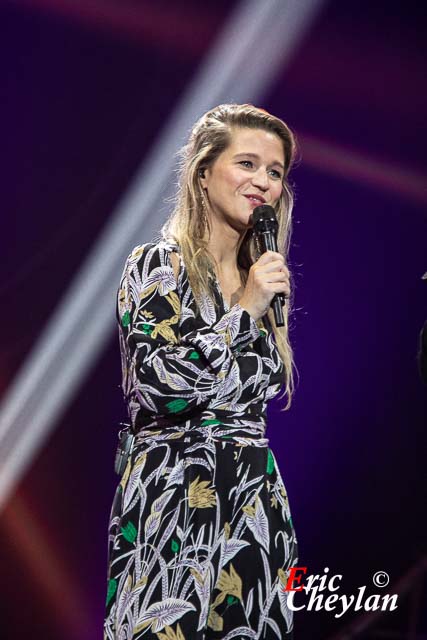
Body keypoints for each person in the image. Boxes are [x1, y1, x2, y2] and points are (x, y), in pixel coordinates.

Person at [104, 103, 299, 639]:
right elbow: (157, 387)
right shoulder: (154, 267)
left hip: (254, 503)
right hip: (171, 494)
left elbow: (262, 388)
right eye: (248, 164)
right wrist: (242, 312)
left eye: (275, 171)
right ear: (204, 171)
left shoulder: (264, 280)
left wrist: (256, 303)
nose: (263, 181)